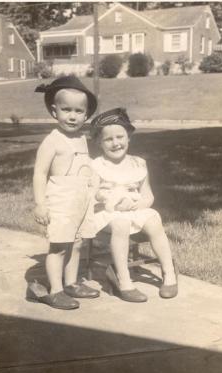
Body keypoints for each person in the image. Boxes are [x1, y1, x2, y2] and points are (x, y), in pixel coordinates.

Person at [91, 108, 178, 303]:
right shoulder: (97, 165)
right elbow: (92, 195)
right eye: (108, 139)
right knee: (121, 223)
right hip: (107, 212)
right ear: (99, 142)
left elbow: (148, 195)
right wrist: (107, 199)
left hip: (133, 208)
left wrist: (137, 205)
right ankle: (123, 279)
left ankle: (169, 272)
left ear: (129, 137)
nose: (116, 143)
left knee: (154, 219)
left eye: (120, 137)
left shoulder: (138, 163)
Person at [27, 75, 100, 310]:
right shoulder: (52, 141)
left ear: (86, 114)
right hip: (61, 198)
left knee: (77, 243)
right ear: (53, 111)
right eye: (66, 109)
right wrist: (40, 204)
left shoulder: (81, 138)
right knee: (59, 246)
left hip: (81, 198)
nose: (72, 116)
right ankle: (55, 289)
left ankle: (71, 282)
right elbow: (40, 173)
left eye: (79, 111)